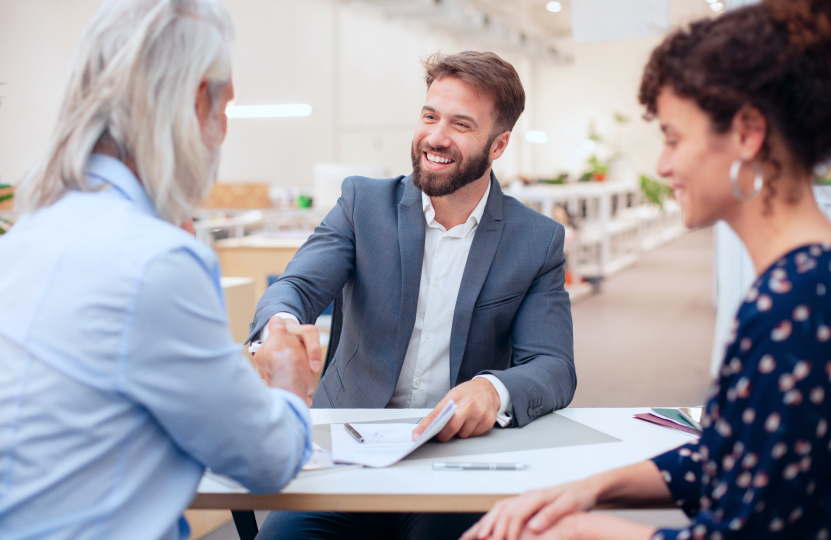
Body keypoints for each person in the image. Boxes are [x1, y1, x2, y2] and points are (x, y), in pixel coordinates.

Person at [461, 1, 831, 539]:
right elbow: (728, 458)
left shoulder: (795, 303)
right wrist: (589, 488)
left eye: (674, 138)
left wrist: (572, 532)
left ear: (748, 133)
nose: (662, 166)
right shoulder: (801, 282)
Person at [0, 1, 322, 538]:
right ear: (199, 100)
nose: (223, 129)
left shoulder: (29, 235)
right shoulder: (156, 260)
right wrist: (290, 379)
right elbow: (265, 460)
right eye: (226, 109)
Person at [252, 51, 576, 540]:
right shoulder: (364, 205)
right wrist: (278, 329)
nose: (436, 137)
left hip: (456, 460)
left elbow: (553, 365)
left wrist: (493, 390)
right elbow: (295, 288)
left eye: (461, 124)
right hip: (348, 450)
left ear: (499, 144)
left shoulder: (536, 241)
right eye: (430, 116)